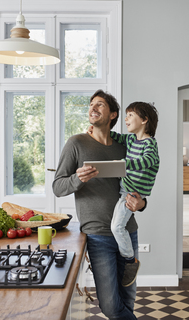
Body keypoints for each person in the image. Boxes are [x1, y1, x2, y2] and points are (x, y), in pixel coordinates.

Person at [52, 89, 146, 320]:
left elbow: (138, 184)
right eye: (91, 104)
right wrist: (78, 178)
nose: (93, 108)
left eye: (100, 104)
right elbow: (58, 187)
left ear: (113, 114)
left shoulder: (124, 146)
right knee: (111, 306)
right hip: (97, 236)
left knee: (127, 301)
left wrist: (142, 204)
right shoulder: (76, 143)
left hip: (128, 231)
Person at [109, 102, 160, 287]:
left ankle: (130, 261)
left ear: (144, 120)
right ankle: (129, 258)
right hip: (126, 189)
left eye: (130, 115)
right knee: (117, 226)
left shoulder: (150, 144)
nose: (126, 119)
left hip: (131, 194)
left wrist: (124, 164)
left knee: (116, 227)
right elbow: (115, 136)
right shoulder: (130, 140)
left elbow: (147, 161)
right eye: (126, 115)